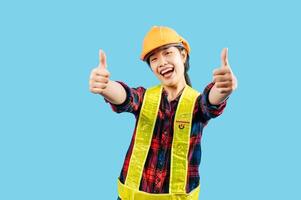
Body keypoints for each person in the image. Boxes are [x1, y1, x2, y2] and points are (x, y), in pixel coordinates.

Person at [89, 26, 237, 200]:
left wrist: (223, 89)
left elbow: (210, 102)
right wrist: (106, 87)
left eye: (167, 53)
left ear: (182, 55)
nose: (162, 62)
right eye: (154, 59)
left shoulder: (196, 104)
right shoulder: (145, 98)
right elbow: (126, 97)